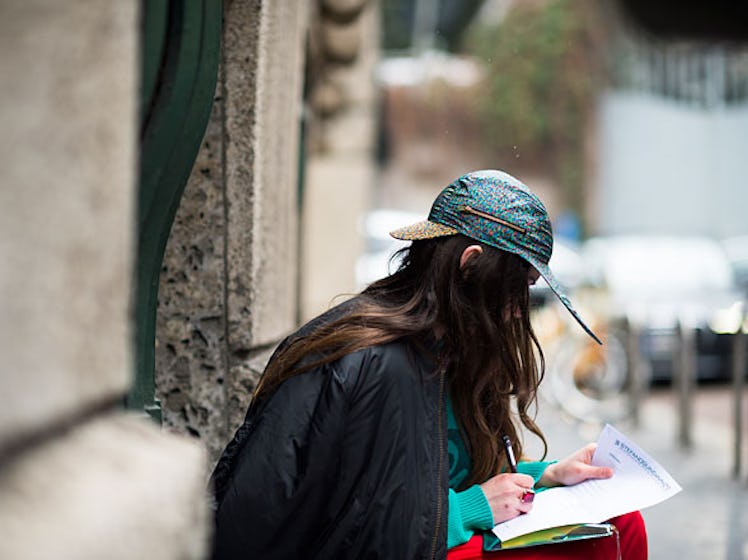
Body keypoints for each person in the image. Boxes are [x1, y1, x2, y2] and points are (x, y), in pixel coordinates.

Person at [209, 170, 648, 559]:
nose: (520, 310)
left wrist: (547, 476)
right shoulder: (376, 364)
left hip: (437, 537)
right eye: (518, 288)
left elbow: (441, 476)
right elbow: (359, 530)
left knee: (625, 520)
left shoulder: (451, 348)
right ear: (471, 264)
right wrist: (476, 506)